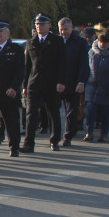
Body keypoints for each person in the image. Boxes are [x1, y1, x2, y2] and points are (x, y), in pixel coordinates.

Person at [22, 13, 66, 152]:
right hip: (34, 83)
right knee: (31, 113)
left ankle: (55, 140)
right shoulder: (31, 42)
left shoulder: (57, 41)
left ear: (49, 25)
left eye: (42, 24)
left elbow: (62, 63)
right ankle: (29, 143)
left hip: (51, 83)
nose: (39, 26)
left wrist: (60, 81)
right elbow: (27, 66)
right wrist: (24, 85)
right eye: (37, 24)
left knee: (53, 112)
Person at [0, 20, 26, 157]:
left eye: (1, 31)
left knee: (11, 121)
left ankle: (14, 146)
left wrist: (14, 87)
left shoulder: (16, 50)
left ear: (8, 33)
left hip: (8, 91)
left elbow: (20, 72)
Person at [58, 17, 90, 146]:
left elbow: (84, 64)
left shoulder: (80, 43)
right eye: (61, 29)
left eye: (65, 29)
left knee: (72, 110)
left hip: (74, 81)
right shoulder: (57, 41)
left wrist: (82, 82)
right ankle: (54, 135)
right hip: (58, 81)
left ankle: (68, 136)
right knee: (55, 110)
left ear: (71, 28)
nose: (63, 32)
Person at [84, 32, 109, 141]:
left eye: (105, 42)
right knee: (90, 111)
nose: (103, 44)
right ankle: (89, 132)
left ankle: (103, 134)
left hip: (108, 88)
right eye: (101, 42)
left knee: (106, 113)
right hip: (92, 86)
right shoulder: (92, 52)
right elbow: (86, 69)